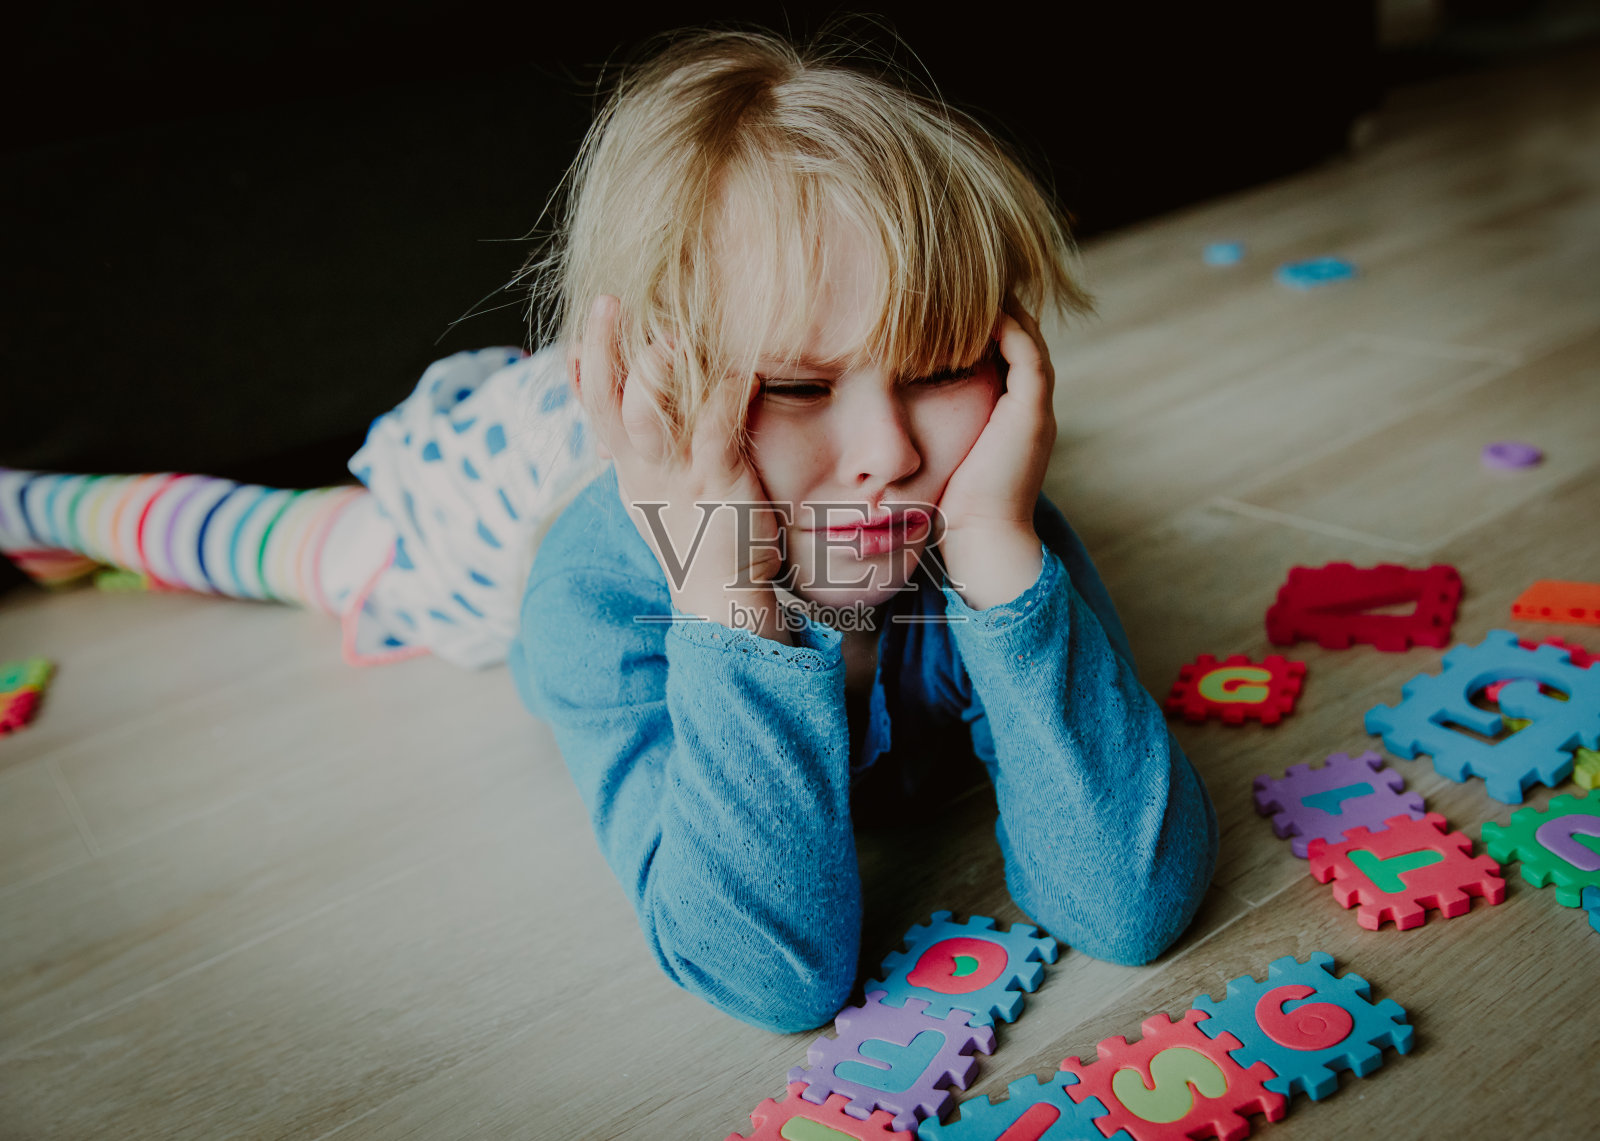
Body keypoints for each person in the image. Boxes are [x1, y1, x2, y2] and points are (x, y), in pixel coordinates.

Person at [0, 25, 1218, 1034]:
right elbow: (768, 975)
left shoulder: (987, 520)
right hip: (498, 487)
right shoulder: (588, 593)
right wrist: (729, 601)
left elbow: (1127, 903)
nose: (894, 454)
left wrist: (1006, 559)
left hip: (662, 412)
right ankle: (38, 501)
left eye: (943, 367)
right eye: (797, 385)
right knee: (323, 552)